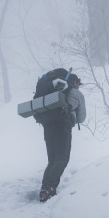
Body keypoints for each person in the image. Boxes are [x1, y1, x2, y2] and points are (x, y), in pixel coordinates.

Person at [37, 70, 86, 203]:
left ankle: (44, 188)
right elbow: (81, 118)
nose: (78, 86)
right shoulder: (75, 92)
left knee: (52, 159)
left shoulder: (53, 90)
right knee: (62, 158)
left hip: (47, 125)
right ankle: (49, 188)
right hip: (63, 126)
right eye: (78, 83)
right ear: (74, 82)